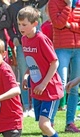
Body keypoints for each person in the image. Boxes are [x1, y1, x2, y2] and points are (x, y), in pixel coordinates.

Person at [17, 6, 63, 137]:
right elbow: (33, 63)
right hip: (37, 90)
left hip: (50, 90)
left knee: (44, 124)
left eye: (24, 24)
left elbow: (54, 63)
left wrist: (43, 84)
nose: (21, 27)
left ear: (35, 24)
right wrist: (26, 75)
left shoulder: (41, 39)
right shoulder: (24, 39)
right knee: (45, 128)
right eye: (19, 24)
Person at [6, 0, 48, 118]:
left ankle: (36, 106)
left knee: (37, 73)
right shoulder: (13, 7)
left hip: (37, 44)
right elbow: (9, 26)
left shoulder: (36, 3)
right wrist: (14, 37)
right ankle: (25, 106)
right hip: (21, 43)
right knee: (23, 74)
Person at [48, 0, 80, 132]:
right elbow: (58, 24)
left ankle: (70, 123)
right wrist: (67, 6)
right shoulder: (53, 2)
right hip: (61, 49)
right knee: (59, 85)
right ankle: (49, 122)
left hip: (78, 49)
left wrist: (69, 25)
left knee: (75, 87)